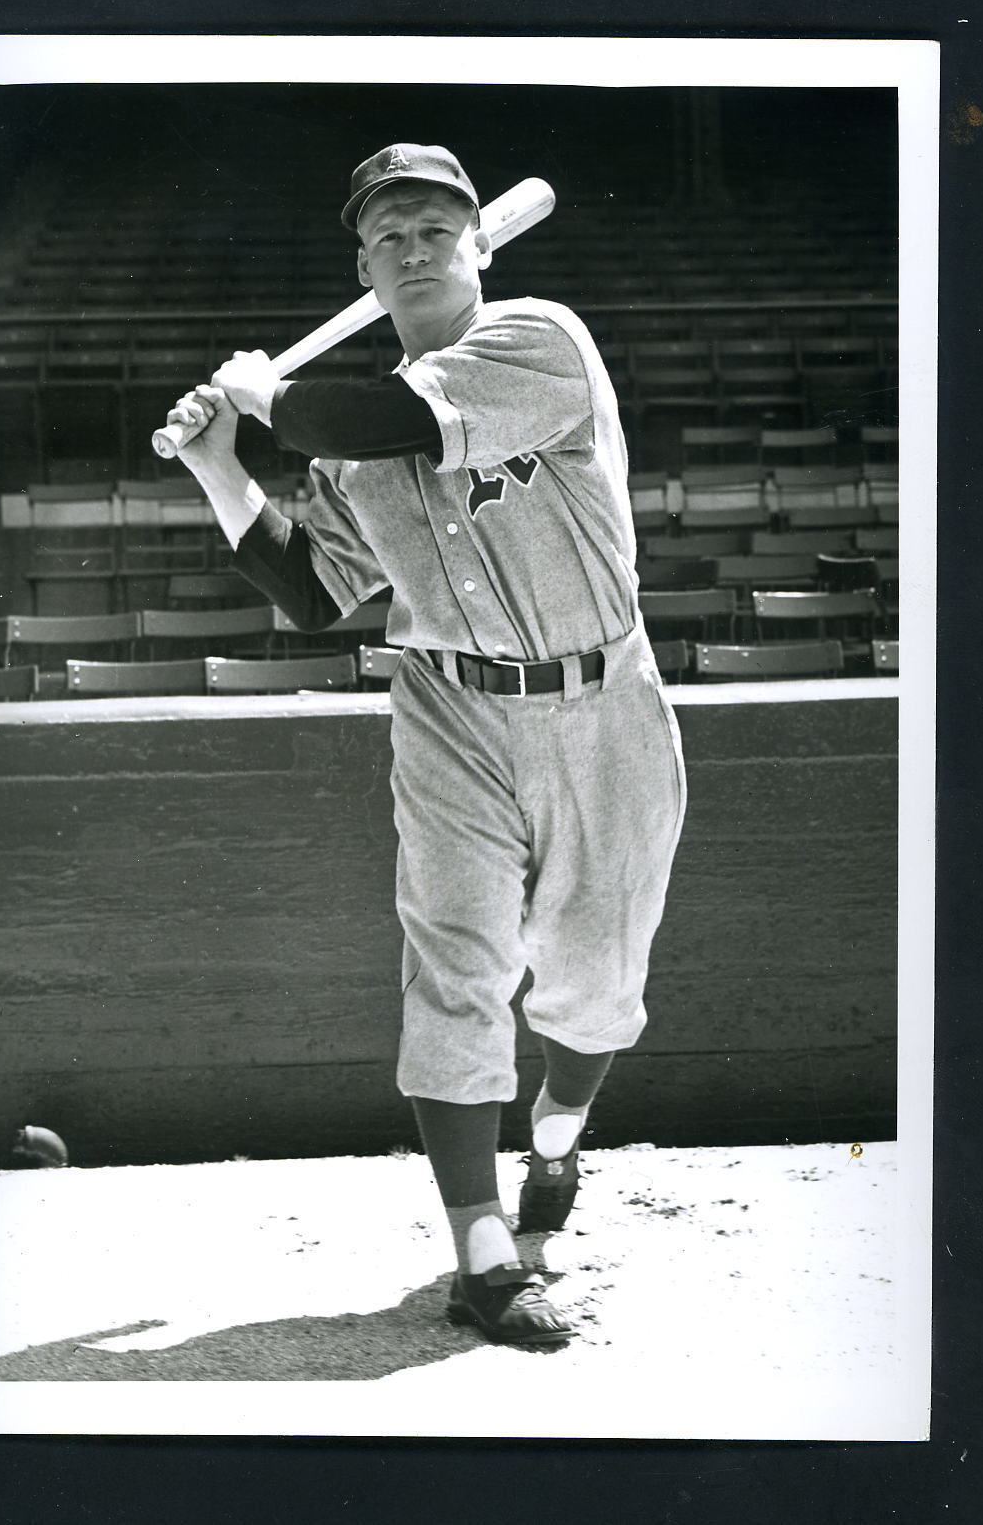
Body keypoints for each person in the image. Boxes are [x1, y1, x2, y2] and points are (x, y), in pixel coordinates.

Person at [167, 143, 686, 1348]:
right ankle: (484, 1252)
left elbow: (384, 412)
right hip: (446, 706)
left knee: (594, 991)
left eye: (437, 228)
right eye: (388, 234)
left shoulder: (539, 340)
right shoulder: (349, 438)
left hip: (601, 700)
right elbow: (310, 591)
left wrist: (264, 399)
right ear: (363, 262)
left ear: (479, 246)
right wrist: (214, 464)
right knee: (451, 970)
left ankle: (556, 1140)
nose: (413, 248)